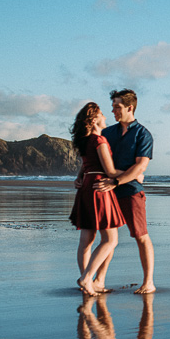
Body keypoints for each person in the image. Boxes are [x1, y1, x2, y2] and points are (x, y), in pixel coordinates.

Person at [91, 89, 156, 294]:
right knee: (108, 239)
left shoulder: (143, 134)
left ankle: (148, 282)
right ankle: (99, 281)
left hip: (130, 192)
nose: (113, 111)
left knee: (141, 235)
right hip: (107, 191)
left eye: (117, 107)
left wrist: (116, 181)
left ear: (130, 107)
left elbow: (140, 168)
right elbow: (96, 158)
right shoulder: (108, 133)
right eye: (112, 107)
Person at [69, 102, 126, 296]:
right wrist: (135, 173)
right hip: (99, 188)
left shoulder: (85, 140)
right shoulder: (100, 140)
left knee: (86, 239)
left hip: (87, 186)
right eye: (102, 114)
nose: (105, 117)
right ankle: (87, 278)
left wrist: (79, 177)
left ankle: (87, 282)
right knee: (110, 239)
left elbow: (86, 165)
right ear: (94, 120)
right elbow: (109, 170)